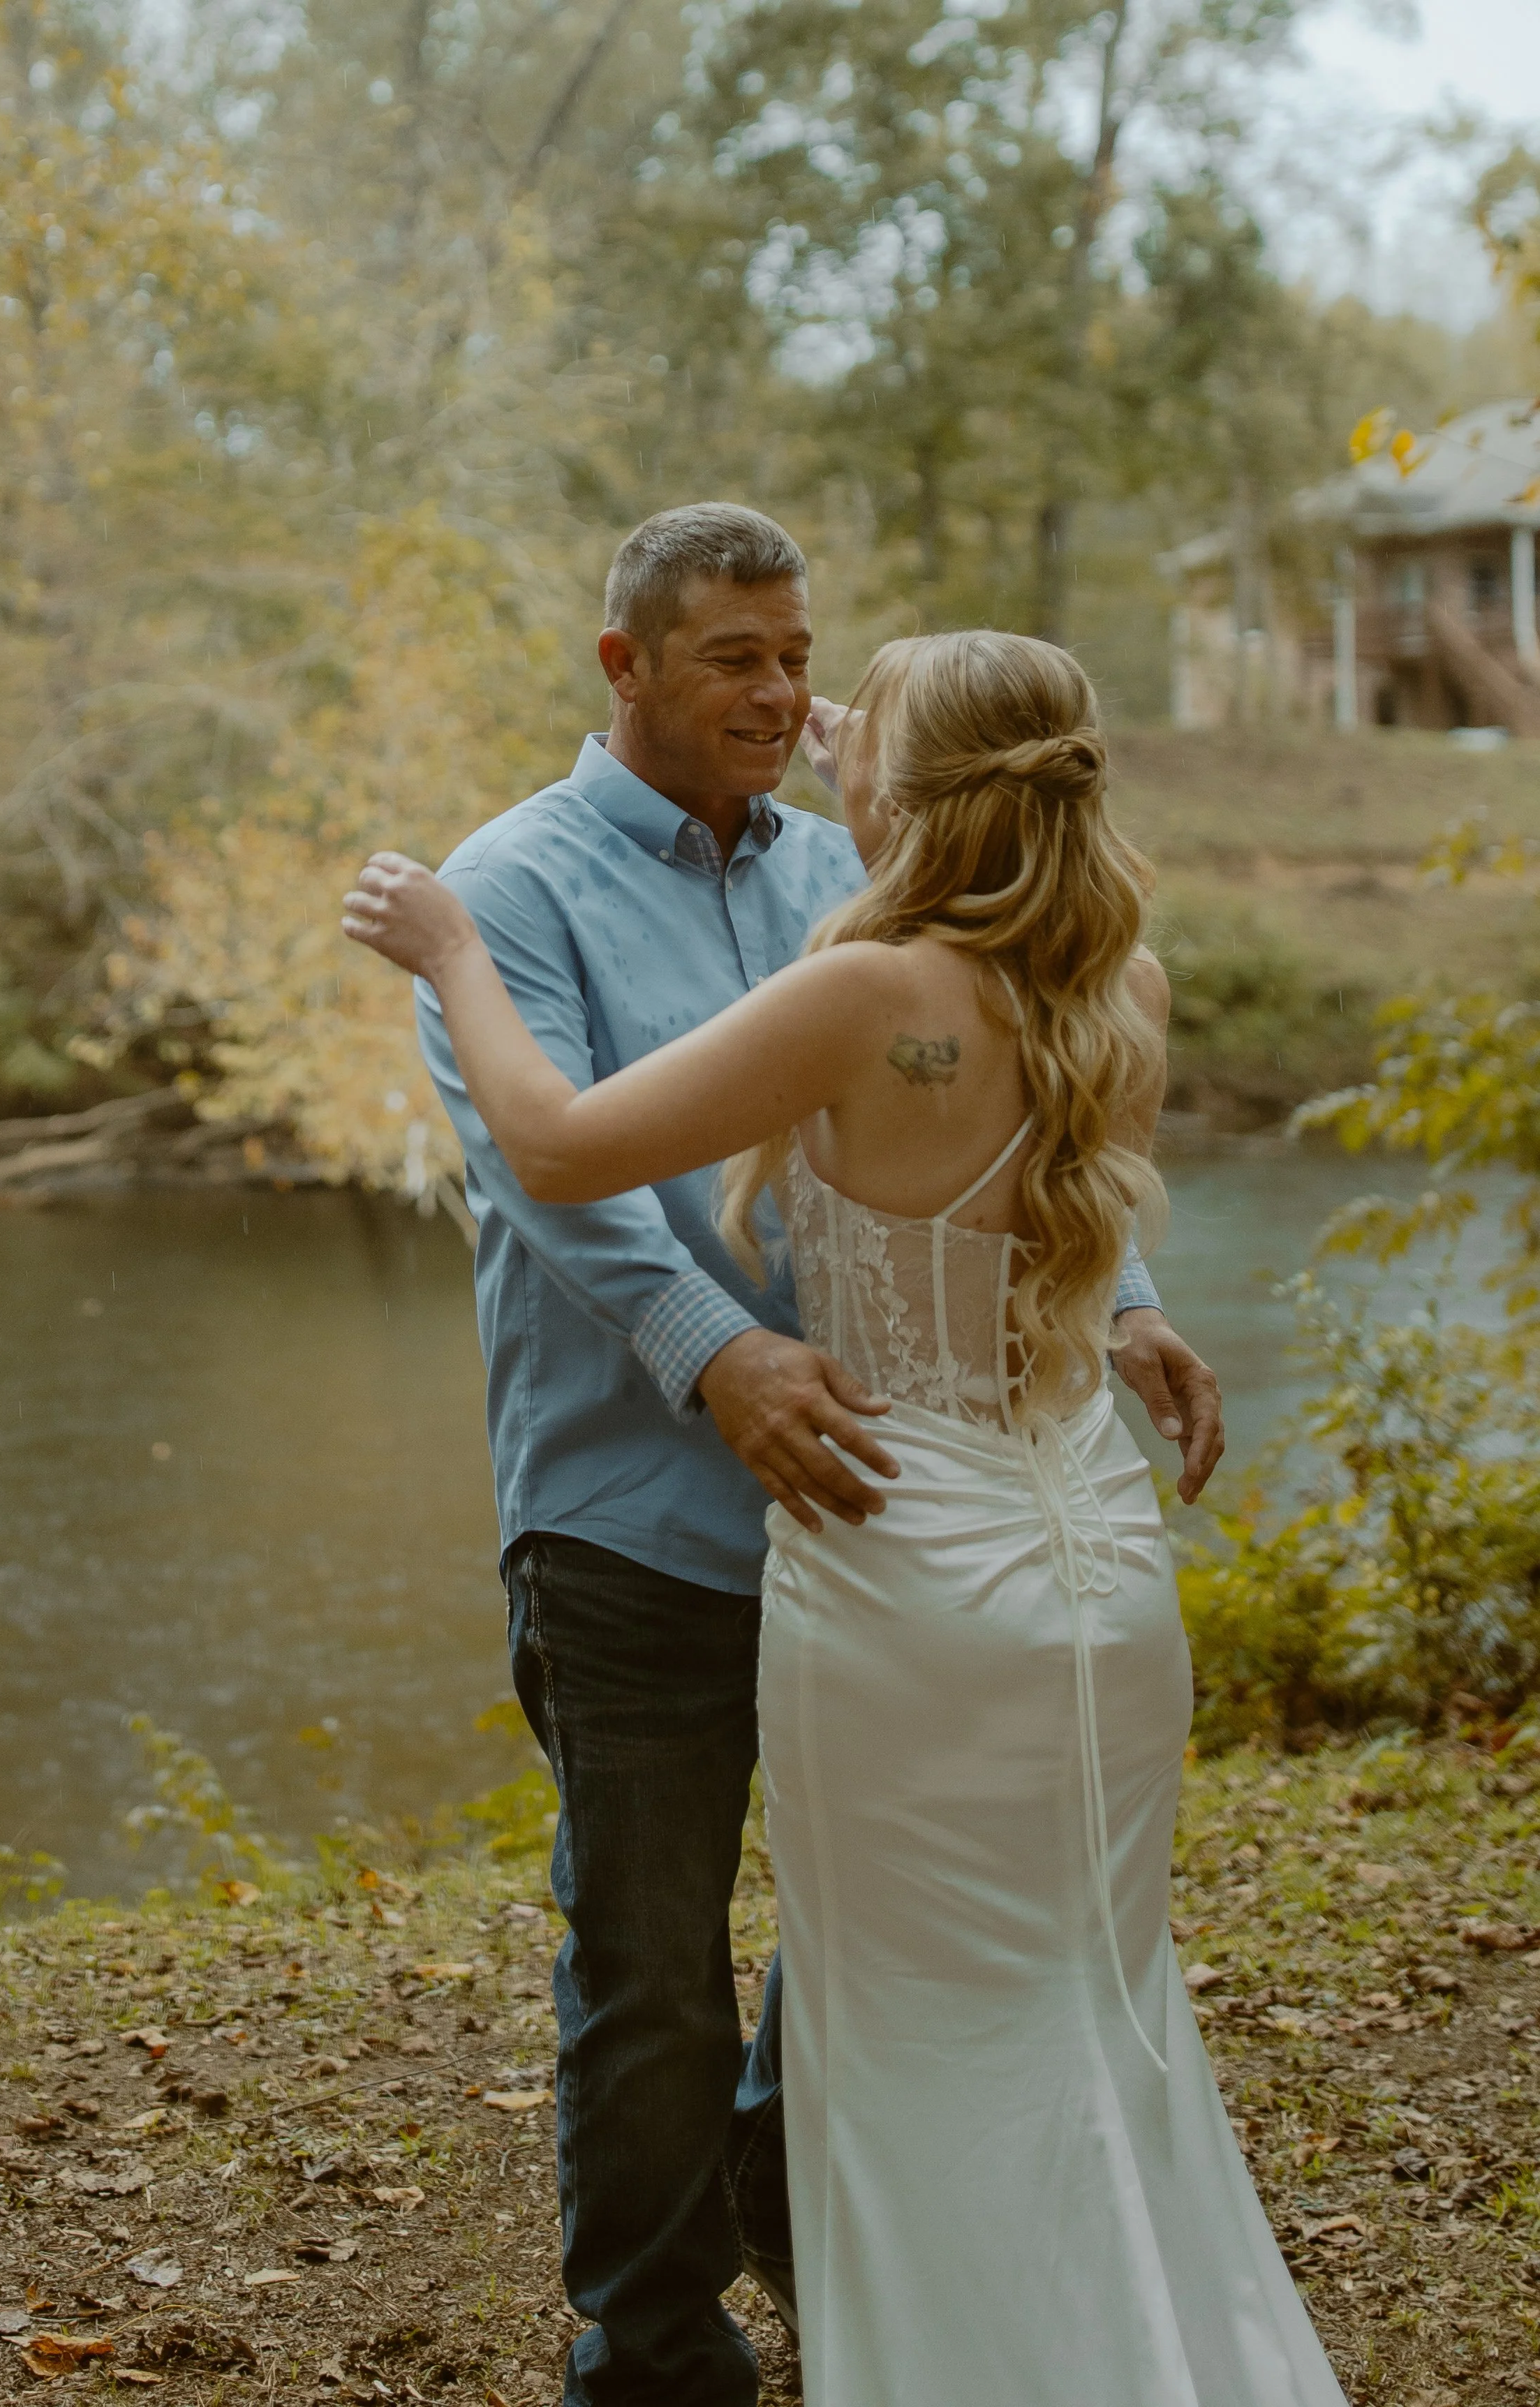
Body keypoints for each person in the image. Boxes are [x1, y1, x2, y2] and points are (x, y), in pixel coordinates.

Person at [357, 506, 1227, 2407]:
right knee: (655, 1958)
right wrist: (715, 1351)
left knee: (870, 1928)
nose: (782, 694)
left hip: (900, 1532)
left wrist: (1130, 1293)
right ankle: (658, 2349)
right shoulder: (518, 885)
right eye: (736, 658)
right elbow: (549, 1169)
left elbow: (1033, 1113)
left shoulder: (868, 874)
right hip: (642, 1509)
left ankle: (826, 2220)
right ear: (627, 667)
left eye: (800, 655)